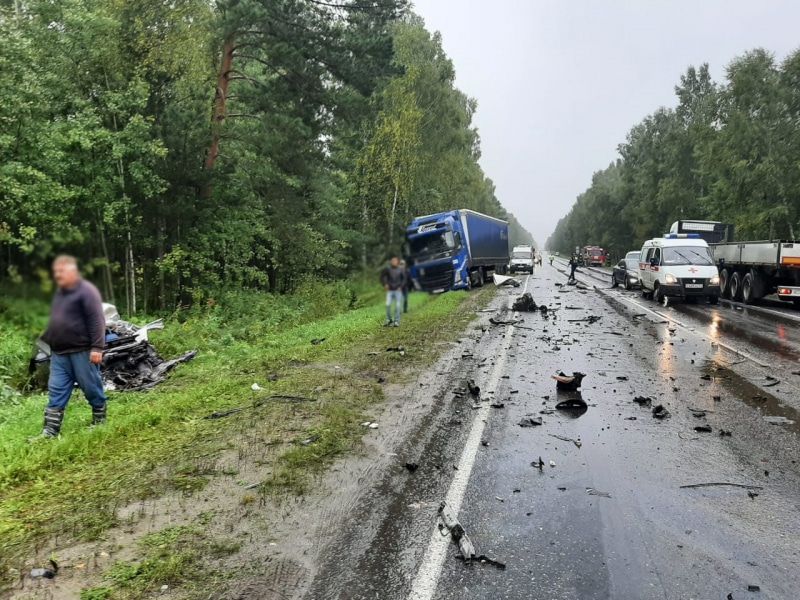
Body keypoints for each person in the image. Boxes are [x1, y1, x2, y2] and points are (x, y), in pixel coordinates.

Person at [40, 255, 108, 438]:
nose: (57, 275)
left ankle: (100, 421)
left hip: (83, 350)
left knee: (91, 387)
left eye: (61, 271)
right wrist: (45, 337)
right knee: (56, 389)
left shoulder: (87, 291)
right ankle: (50, 432)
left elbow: (96, 320)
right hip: (59, 353)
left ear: (73, 271)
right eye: (56, 272)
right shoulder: (59, 294)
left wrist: (97, 348)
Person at [380, 256, 407, 327]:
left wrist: (401, 286)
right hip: (390, 290)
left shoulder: (401, 270)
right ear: (391, 262)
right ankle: (389, 319)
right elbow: (382, 277)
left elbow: (404, 279)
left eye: (395, 261)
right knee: (388, 305)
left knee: (398, 306)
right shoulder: (387, 269)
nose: (393, 262)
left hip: (398, 290)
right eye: (392, 261)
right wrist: (385, 284)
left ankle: (396, 321)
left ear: (397, 262)